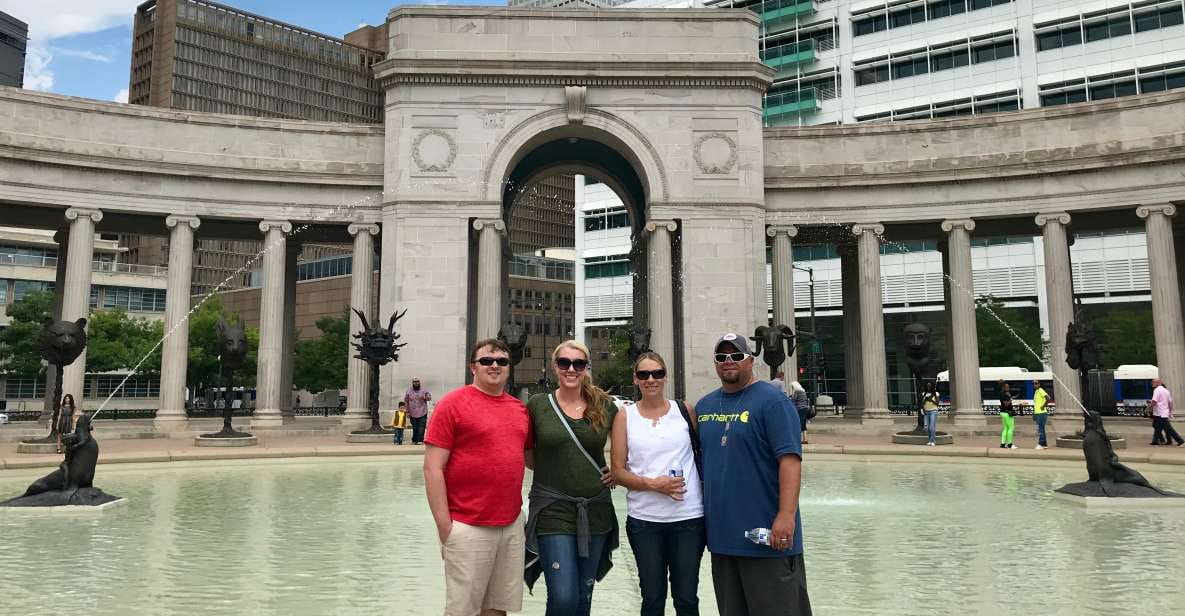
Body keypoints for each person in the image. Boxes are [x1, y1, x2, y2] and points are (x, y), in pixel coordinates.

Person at [695, 333, 811, 616]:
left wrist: (785, 516)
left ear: (751, 360)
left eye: (736, 355)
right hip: (723, 541)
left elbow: (790, 461)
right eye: (722, 357)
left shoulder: (774, 403)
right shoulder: (705, 407)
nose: (728, 362)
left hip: (768, 539)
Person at [423, 339, 530, 616]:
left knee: (498, 609)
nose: (494, 366)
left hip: (510, 524)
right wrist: (445, 526)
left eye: (502, 361)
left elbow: (530, 459)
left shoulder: (519, 409)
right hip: (467, 525)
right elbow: (432, 468)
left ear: (509, 367)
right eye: (486, 361)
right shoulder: (452, 404)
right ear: (473, 367)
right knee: (462, 611)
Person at [524, 340, 620, 616]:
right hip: (553, 511)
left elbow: (632, 446)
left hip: (596, 511)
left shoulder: (606, 406)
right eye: (564, 363)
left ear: (586, 368)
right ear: (555, 366)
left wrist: (618, 470)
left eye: (578, 364)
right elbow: (528, 457)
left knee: (583, 596)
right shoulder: (537, 406)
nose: (571, 369)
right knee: (564, 596)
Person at [610, 351, 705, 616]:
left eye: (657, 373)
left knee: (686, 597)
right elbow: (617, 472)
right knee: (652, 597)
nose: (651, 379)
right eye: (644, 374)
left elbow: (705, 454)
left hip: (689, 519)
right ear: (636, 379)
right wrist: (655, 485)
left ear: (666, 377)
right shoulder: (624, 417)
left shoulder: (685, 411)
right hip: (645, 521)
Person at [1149, 378, 1183, 446]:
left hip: (1159, 412)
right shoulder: (1166, 391)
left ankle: (1180, 441)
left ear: (1158, 383)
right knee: (1157, 427)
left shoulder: (1157, 390)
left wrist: (1149, 408)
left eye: (1153, 382)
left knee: (1168, 428)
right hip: (1163, 412)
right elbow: (1170, 402)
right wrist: (1169, 412)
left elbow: (1154, 401)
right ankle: (1155, 441)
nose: (1151, 383)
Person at [405, 377, 432, 445]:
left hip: (422, 412)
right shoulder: (408, 391)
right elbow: (406, 401)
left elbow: (429, 398)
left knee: (421, 427)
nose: (416, 383)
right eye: (415, 382)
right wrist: (407, 411)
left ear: (419, 382)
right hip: (412, 412)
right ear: (412, 383)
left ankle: (420, 440)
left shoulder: (424, 390)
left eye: (417, 382)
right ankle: (414, 440)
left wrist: (426, 397)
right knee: (415, 427)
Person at [788, 381, 811, 445]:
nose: (792, 388)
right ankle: (805, 439)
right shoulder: (803, 391)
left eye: (792, 387)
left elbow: (793, 400)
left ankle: (799, 439)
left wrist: (789, 398)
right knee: (803, 424)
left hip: (800, 409)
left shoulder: (797, 392)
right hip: (805, 409)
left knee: (799, 424)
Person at [998, 380, 1017, 449]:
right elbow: (1006, 404)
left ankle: (1002, 444)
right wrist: (1011, 399)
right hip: (1007, 413)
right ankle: (1010, 444)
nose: (1008, 388)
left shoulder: (1001, 393)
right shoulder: (1005, 394)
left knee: (1005, 428)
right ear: (1003, 387)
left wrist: (1010, 398)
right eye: (1007, 386)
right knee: (1011, 428)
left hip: (1002, 412)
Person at [1032, 380, 1050, 450]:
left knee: (1040, 429)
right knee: (1041, 429)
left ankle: (1040, 444)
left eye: (1036, 383)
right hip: (1038, 413)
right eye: (1033, 384)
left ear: (1039, 384)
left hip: (1041, 413)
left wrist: (1043, 406)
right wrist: (1034, 413)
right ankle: (1044, 444)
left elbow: (1048, 398)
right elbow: (1036, 404)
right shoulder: (1036, 392)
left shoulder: (1040, 390)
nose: (1034, 385)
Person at [921, 381, 940, 447]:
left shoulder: (936, 393)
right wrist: (925, 401)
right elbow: (922, 404)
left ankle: (933, 441)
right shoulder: (924, 393)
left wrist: (931, 400)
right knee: (928, 427)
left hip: (933, 411)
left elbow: (937, 403)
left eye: (930, 386)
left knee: (932, 426)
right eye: (927, 386)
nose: (928, 387)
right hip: (926, 412)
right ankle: (929, 441)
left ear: (932, 386)